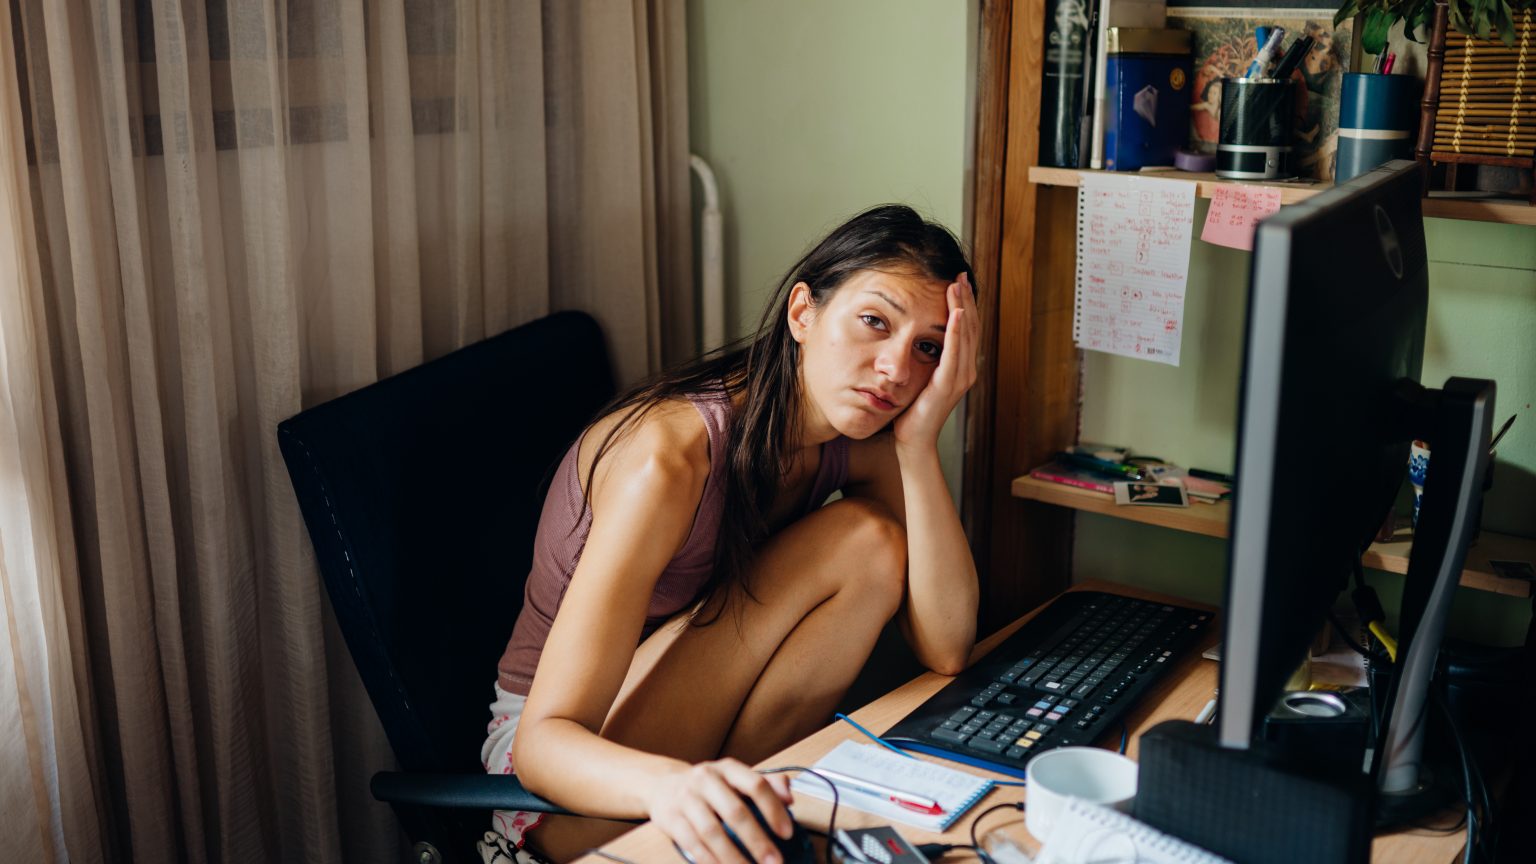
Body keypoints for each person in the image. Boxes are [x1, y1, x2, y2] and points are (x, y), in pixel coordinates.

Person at [477, 205, 981, 864]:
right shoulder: (666, 460)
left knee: (870, 542)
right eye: (874, 322)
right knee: (866, 538)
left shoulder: (862, 438)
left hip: (694, 768)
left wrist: (918, 444)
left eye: (928, 349)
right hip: (559, 786)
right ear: (803, 313)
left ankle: (737, 821)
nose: (895, 369)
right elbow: (547, 744)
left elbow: (945, 645)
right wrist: (676, 787)